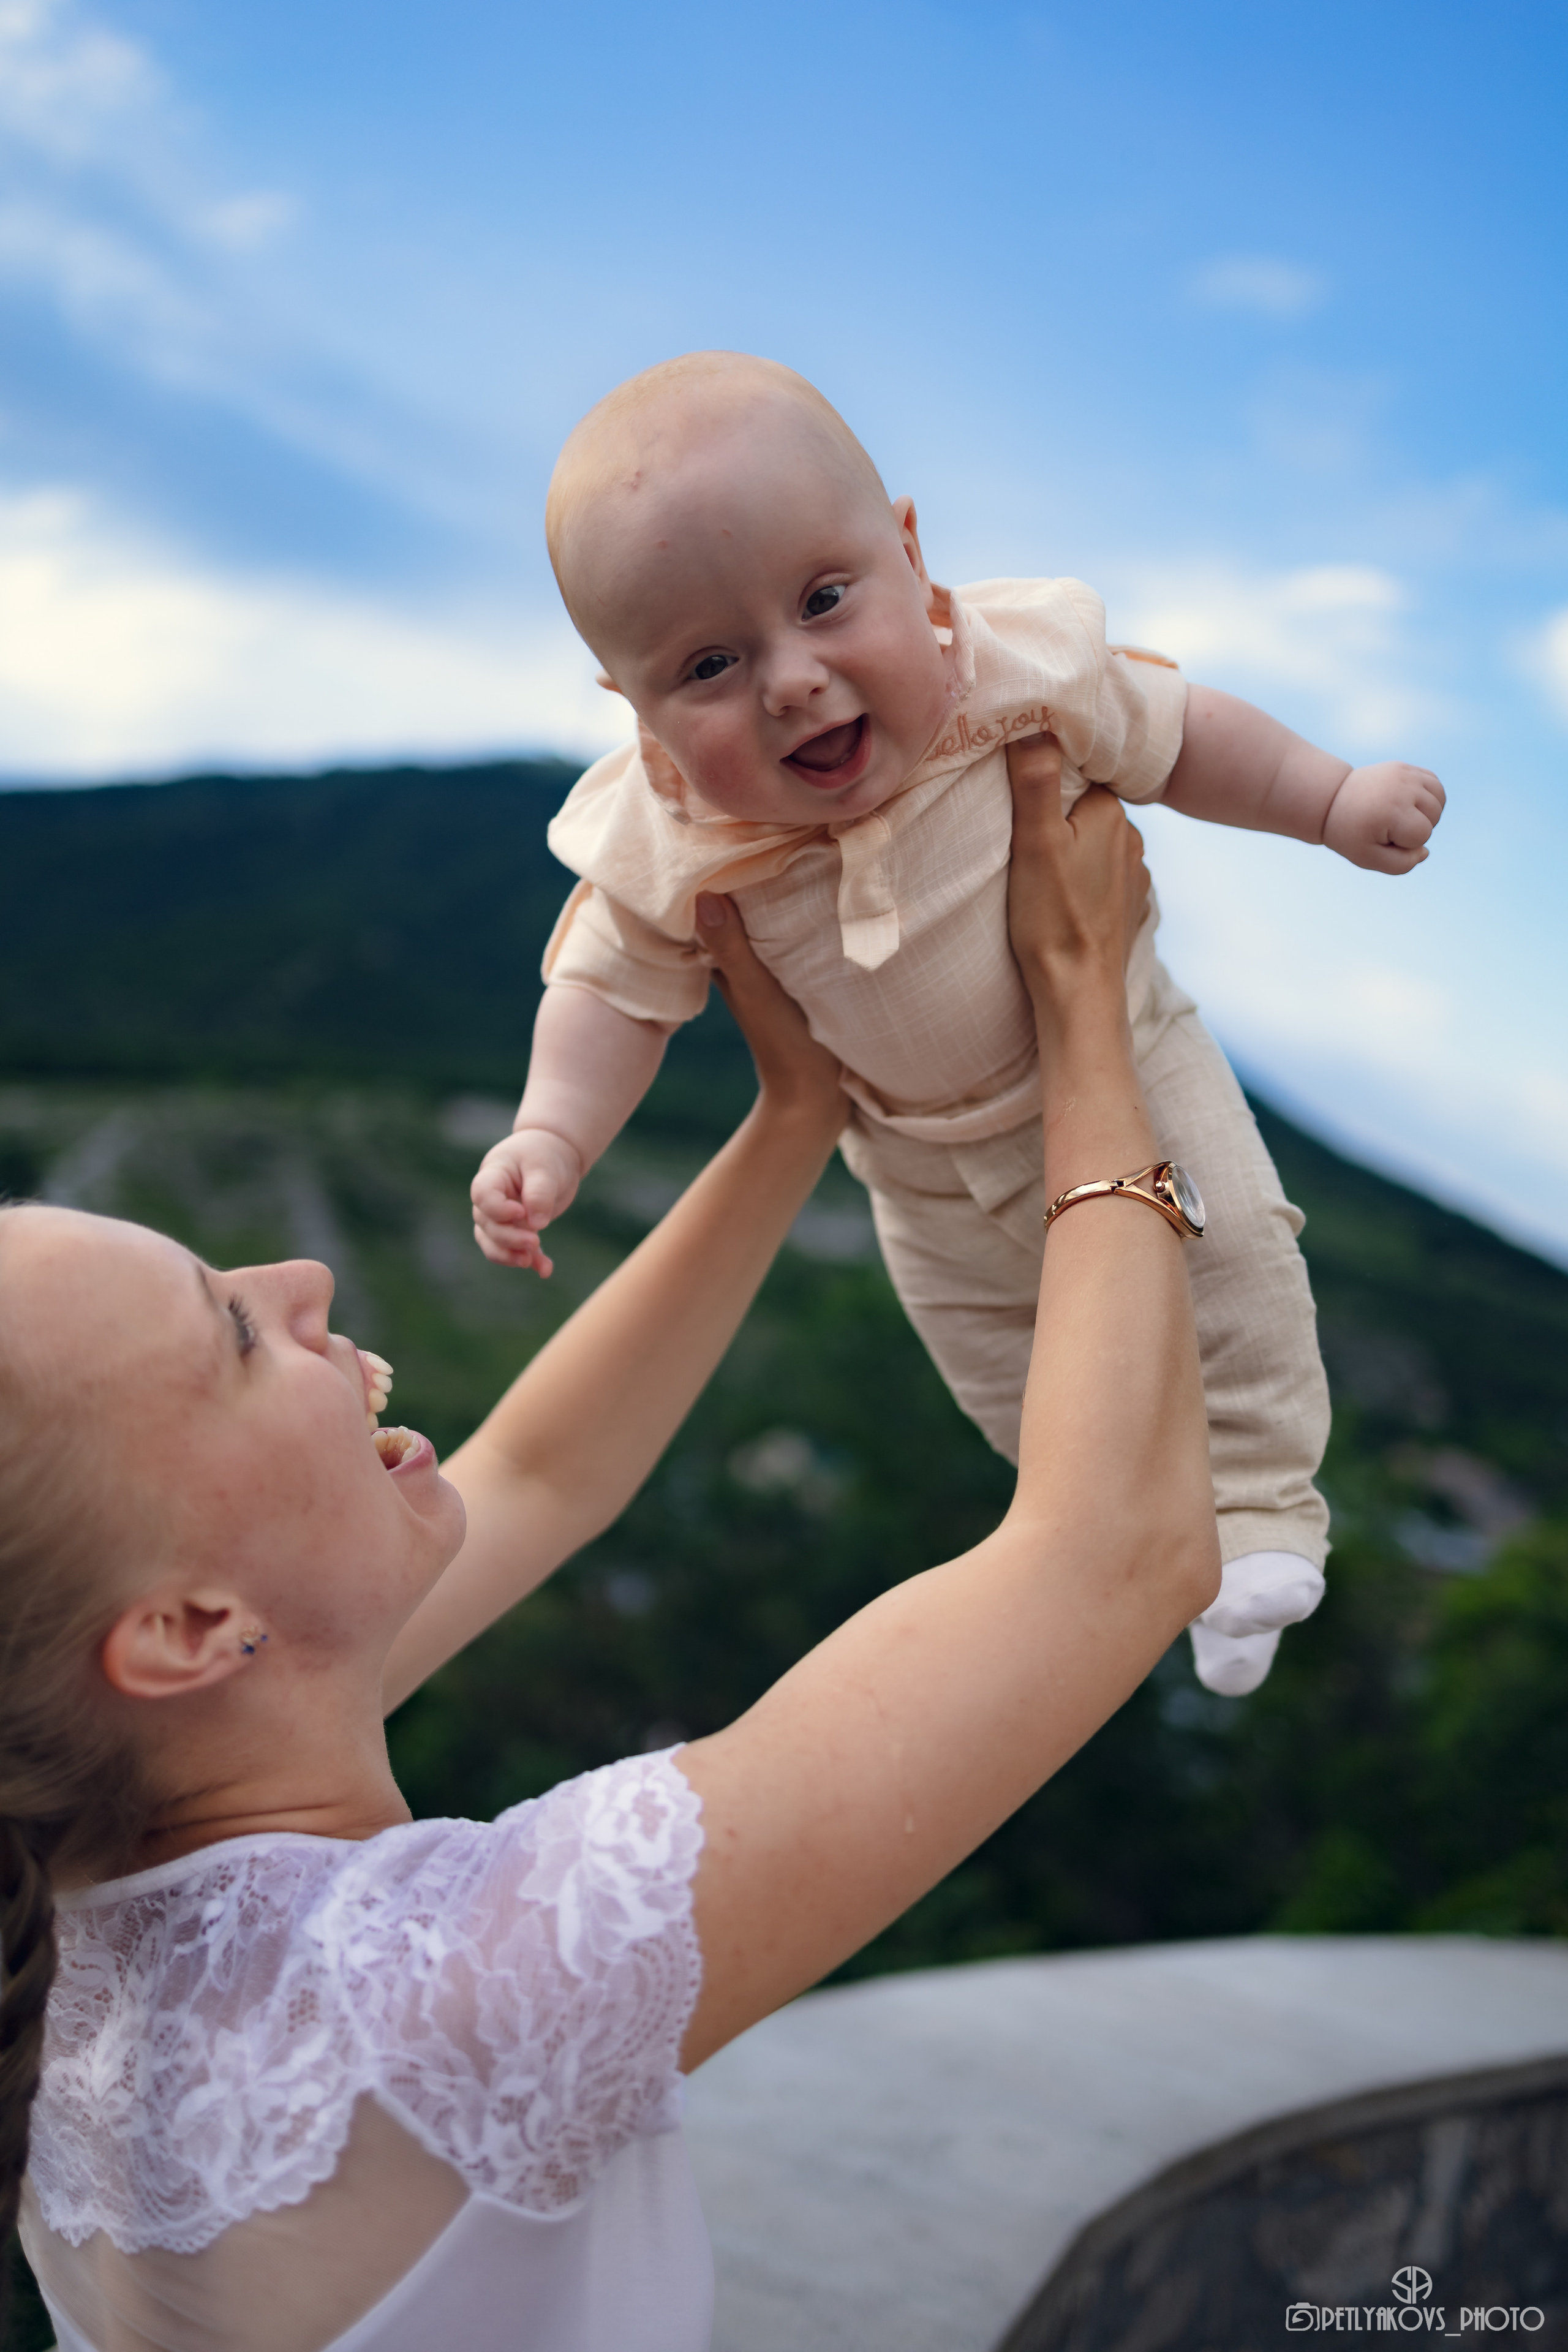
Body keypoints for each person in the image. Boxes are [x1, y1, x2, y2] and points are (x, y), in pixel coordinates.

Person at [0, 751, 1215, 2352]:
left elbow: (544, 1477)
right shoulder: (447, 2000)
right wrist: (1084, 997)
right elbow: (1119, 1550)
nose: (299, 1273)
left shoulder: (71, 1868)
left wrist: (798, 1117)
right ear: (191, 1625)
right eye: (231, 1332)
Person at [471, 351, 1446, 1696]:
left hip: (1125, 1062)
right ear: (632, 716)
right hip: (914, 1161)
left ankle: (1266, 1506)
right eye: (707, 664)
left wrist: (1329, 799)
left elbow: (1177, 731)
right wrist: (550, 1133)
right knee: (1000, 1357)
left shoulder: (1012, 675)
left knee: (1234, 1278)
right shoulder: (668, 833)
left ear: (912, 560)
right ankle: (1112, 1518)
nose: (794, 680)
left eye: (822, 600)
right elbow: (604, 993)